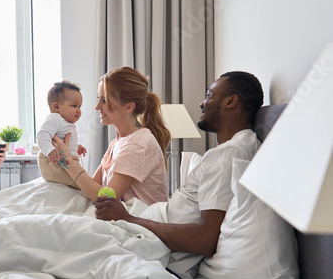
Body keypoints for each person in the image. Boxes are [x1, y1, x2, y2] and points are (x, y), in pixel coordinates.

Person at [94, 71, 264, 259]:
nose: (202, 103)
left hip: (149, 234)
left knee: (63, 230)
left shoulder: (226, 155)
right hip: (150, 220)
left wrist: (127, 218)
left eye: (209, 96)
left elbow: (205, 240)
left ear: (230, 102)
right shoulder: (240, 147)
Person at [52, 66, 171, 205]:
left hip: (141, 220)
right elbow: (91, 186)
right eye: (98, 98)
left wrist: (68, 162)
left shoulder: (139, 143)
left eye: (104, 100)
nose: (97, 107)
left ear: (128, 107)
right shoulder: (116, 143)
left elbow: (105, 199)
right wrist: (67, 156)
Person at [37, 81, 87, 189]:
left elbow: (64, 139)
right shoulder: (55, 118)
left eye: (80, 107)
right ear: (56, 107)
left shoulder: (65, 123)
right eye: (74, 106)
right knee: (81, 183)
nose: (78, 111)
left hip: (66, 160)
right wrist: (50, 150)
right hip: (55, 162)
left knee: (83, 181)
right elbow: (42, 134)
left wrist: (76, 146)